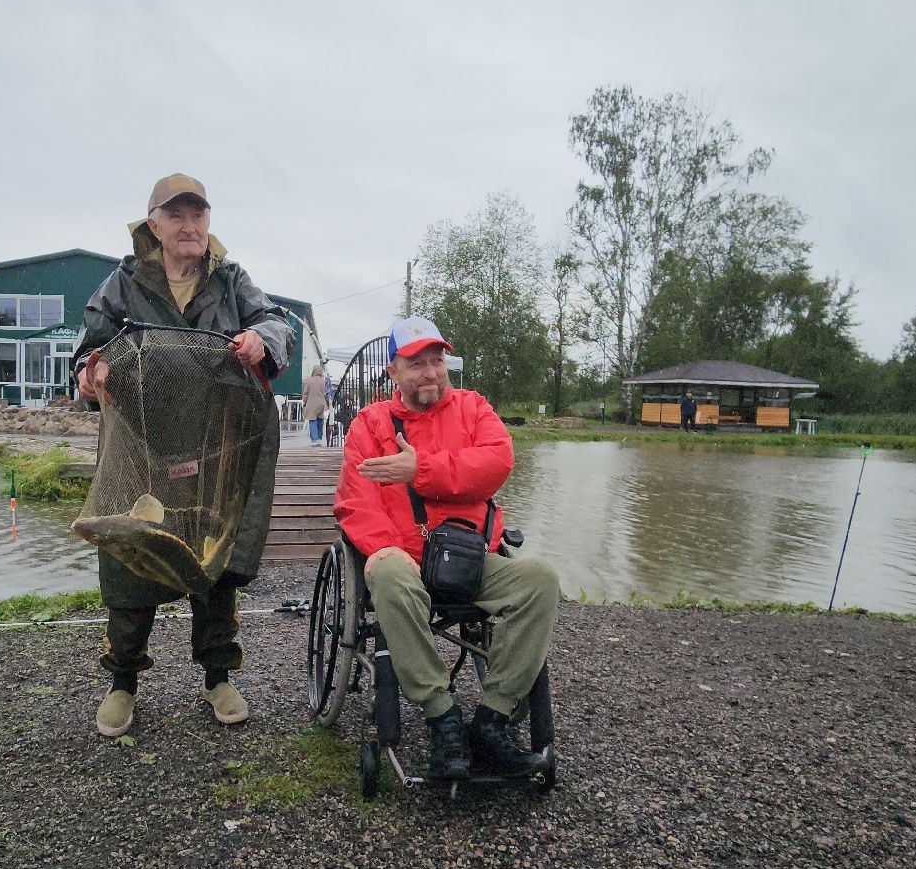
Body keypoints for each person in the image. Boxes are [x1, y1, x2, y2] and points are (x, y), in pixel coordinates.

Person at [74, 174, 291, 738]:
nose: (189, 225)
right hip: (142, 451)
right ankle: (123, 682)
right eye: (176, 216)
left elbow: (276, 322)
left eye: (198, 214)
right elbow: (88, 348)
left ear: (209, 223)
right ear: (155, 226)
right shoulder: (122, 283)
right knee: (128, 560)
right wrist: (89, 372)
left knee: (212, 563)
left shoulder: (232, 281)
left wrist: (262, 339)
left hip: (214, 451)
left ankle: (218, 674)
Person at [334, 316, 561, 780]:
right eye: (416, 363)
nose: (431, 372)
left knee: (540, 580)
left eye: (436, 360)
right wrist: (382, 547)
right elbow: (355, 499)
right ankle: (442, 716)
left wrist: (421, 469)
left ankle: (492, 718)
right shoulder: (370, 423)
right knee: (388, 574)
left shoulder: (475, 409)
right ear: (393, 373)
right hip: (405, 559)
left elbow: (495, 465)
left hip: (470, 557)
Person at [302, 364, 330, 446]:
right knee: (320, 421)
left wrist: (304, 401)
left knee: (312, 421)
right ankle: (319, 438)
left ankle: (314, 439)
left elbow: (305, 393)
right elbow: (327, 393)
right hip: (322, 404)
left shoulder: (309, 380)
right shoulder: (324, 381)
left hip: (311, 404)